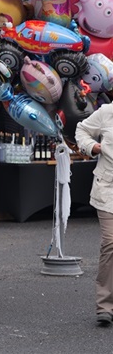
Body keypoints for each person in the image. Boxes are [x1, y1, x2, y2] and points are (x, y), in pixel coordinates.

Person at [76, 104, 113, 327]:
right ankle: (105, 306)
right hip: (107, 189)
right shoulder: (107, 112)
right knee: (110, 243)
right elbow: (81, 129)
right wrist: (93, 147)